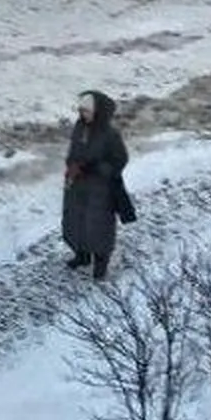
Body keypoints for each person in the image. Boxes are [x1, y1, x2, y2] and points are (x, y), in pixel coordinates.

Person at [62, 90, 129, 280]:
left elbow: (120, 159)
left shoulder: (110, 134)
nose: (83, 115)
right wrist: (71, 166)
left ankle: (101, 264)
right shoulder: (79, 127)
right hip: (78, 185)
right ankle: (81, 255)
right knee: (76, 220)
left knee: (99, 226)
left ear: (98, 112)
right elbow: (73, 150)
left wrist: (97, 169)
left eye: (87, 112)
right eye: (81, 111)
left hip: (101, 189)